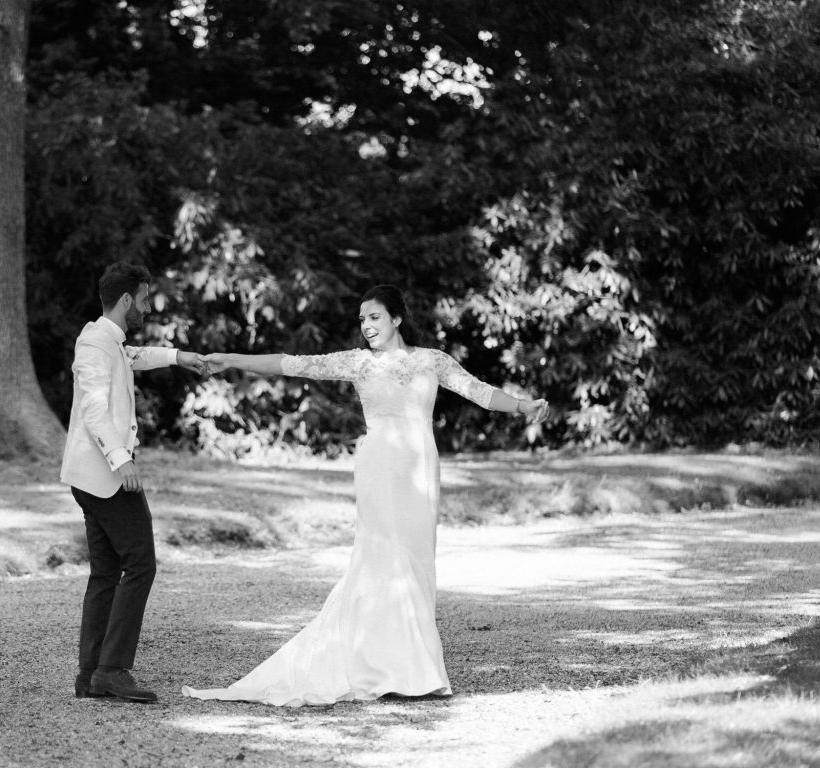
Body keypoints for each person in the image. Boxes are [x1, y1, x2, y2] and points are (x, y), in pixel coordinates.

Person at [182, 284, 548, 706]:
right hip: (380, 467)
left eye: (374, 317)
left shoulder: (432, 360)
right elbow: (290, 364)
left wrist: (523, 406)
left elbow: (480, 392)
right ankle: (394, 670)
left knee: (415, 562)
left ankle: (410, 668)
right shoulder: (357, 363)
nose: (367, 326)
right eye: (362, 320)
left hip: (421, 469)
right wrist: (230, 360)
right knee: (384, 559)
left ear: (396, 318)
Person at [61, 261, 207, 703]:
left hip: (91, 474)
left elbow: (134, 357)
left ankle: (91, 674)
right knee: (140, 563)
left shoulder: (108, 340)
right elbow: (92, 407)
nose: (147, 305)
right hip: (104, 474)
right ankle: (113, 669)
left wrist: (179, 358)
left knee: (106, 571)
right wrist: (120, 458)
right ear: (127, 300)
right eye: (143, 298)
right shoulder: (94, 344)